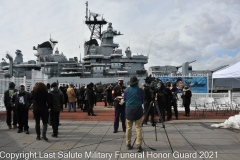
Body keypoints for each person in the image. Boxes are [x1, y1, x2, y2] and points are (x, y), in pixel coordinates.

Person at [124, 76, 144, 152]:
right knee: (138, 128)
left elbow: (125, 99)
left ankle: (128, 144)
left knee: (128, 128)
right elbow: (142, 100)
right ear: (137, 82)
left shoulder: (126, 90)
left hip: (129, 110)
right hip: (138, 110)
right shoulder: (140, 90)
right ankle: (139, 145)